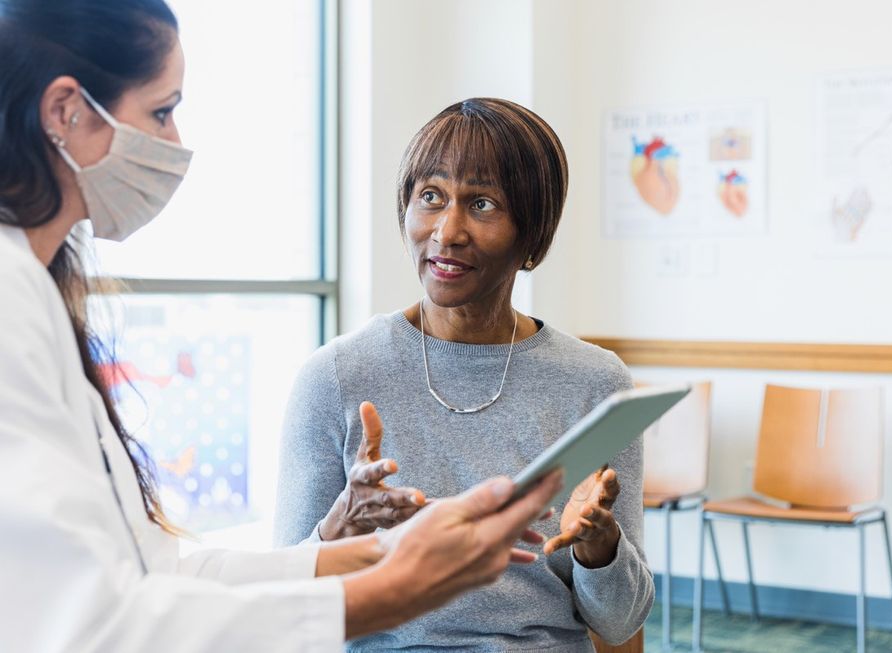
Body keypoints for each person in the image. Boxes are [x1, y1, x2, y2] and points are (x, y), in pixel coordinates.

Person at [0, 2, 564, 651]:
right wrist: (393, 589)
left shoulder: (34, 289)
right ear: (65, 111)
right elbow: (94, 624)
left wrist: (386, 548)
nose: (176, 141)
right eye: (162, 110)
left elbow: (161, 571)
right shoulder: (11, 299)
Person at [274, 98, 654, 651]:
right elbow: (283, 605)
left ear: (534, 233)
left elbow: (621, 625)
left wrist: (599, 547)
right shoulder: (335, 377)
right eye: (430, 196)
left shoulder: (596, 384)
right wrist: (343, 525)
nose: (447, 231)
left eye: (482, 203)